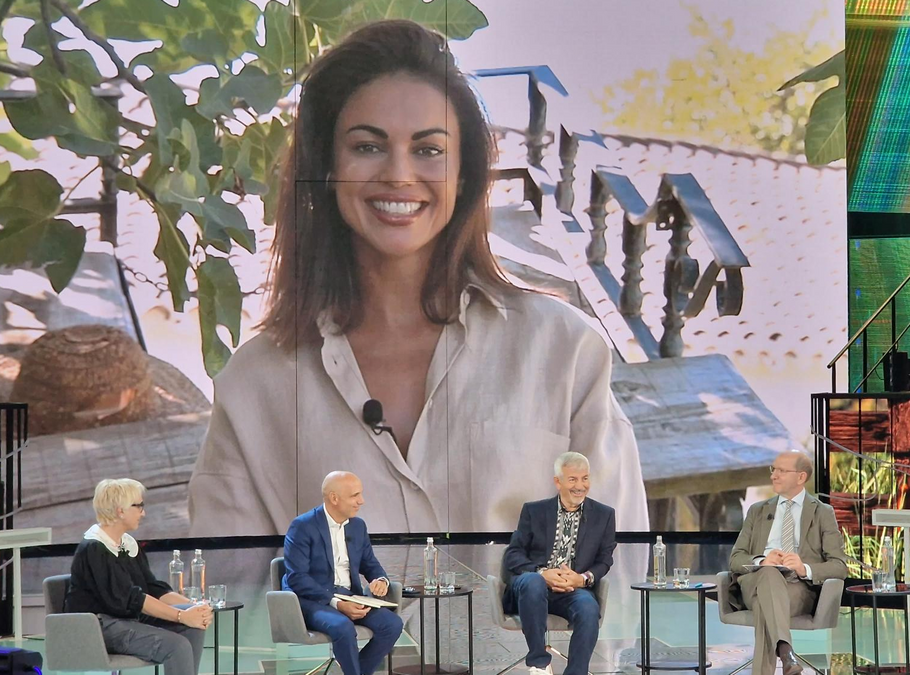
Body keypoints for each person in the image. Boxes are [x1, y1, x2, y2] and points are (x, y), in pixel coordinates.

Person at [188, 18, 647, 537]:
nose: (399, 175)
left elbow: (622, 581)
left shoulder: (565, 352)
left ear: (466, 174)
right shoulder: (254, 388)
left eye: (429, 150)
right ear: (324, 167)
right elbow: (236, 605)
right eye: (367, 146)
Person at [64, 479, 211, 675]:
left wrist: (193, 607)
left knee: (192, 627)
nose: (143, 513)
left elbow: (154, 589)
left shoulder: (128, 544)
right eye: (139, 506)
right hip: (98, 626)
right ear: (120, 510)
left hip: (127, 619)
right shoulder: (94, 548)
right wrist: (181, 615)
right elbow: (131, 598)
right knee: (177, 645)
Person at [728, 450, 848, 675]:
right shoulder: (757, 511)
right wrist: (762, 560)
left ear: (801, 477)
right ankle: (786, 652)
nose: (774, 475)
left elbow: (839, 566)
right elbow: (735, 558)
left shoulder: (822, 513)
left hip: (798, 589)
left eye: (781, 471)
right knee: (769, 574)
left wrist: (805, 568)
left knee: (769, 605)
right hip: (754, 582)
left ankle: (785, 652)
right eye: (773, 470)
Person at [502, 452, 615, 675]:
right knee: (534, 582)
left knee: (588, 608)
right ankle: (539, 663)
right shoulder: (534, 511)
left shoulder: (604, 515)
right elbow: (512, 554)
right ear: (558, 481)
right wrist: (543, 573)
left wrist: (582, 579)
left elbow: (604, 560)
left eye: (585, 478)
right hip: (531, 587)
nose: (580, 486)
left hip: (573, 589)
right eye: (573, 479)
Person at [283, 471, 403, 675]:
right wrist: (336, 603)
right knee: (343, 627)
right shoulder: (303, 526)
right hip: (314, 600)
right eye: (355, 495)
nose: (361, 501)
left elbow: (370, 563)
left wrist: (379, 579)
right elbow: (297, 578)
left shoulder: (357, 526)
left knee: (392, 624)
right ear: (334, 498)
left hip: (350, 595)